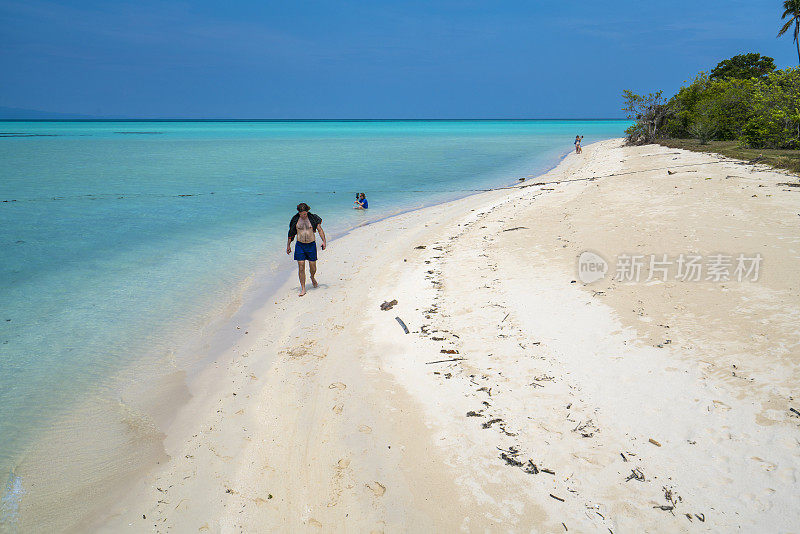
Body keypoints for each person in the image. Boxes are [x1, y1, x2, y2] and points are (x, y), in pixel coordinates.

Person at [286, 202, 326, 297]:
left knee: (313, 266)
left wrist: (324, 241)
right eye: (301, 214)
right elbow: (291, 233)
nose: (303, 215)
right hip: (300, 245)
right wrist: (288, 246)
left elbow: (320, 230)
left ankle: (312, 277)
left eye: (304, 213)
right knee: (301, 266)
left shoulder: (312, 218)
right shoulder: (295, 219)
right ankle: (303, 288)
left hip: (311, 245)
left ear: (307, 211)